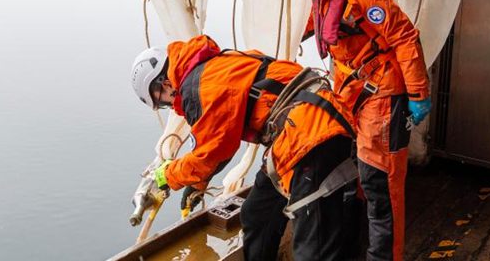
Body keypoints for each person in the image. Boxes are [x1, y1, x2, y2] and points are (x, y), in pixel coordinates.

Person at [131, 35, 357, 261]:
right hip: (300, 131)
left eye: (159, 99)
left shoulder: (200, 87)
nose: (166, 105)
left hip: (311, 136)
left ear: (165, 82)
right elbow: (220, 140)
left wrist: (166, 176)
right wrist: (198, 183)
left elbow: (208, 156)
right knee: (257, 214)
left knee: (313, 249)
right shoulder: (212, 68)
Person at [283, 0, 432, 261]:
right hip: (355, 93)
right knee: (362, 178)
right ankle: (358, 241)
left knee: (381, 185)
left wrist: (418, 93)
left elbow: (405, 38)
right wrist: (289, 36)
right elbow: (318, 22)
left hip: (383, 96)